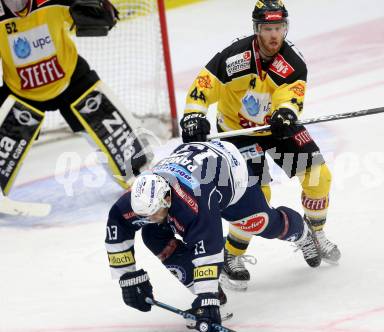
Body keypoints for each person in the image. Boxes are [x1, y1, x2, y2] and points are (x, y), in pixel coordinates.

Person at [179, 0, 340, 291]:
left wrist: (287, 113)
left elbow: (291, 97)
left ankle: (315, 233)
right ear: (256, 29)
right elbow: (202, 86)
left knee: (319, 177)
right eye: (267, 28)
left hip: (276, 129)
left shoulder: (293, 63)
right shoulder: (234, 57)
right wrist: (193, 115)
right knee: (255, 198)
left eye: (279, 27)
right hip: (236, 135)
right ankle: (232, 255)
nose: (274, 35)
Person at [105, 140, 321, 332]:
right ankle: (215, 295)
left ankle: (302, 232)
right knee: (152, 234)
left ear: (167, 199)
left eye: (153, 214)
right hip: (198, 167)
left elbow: (208, 247)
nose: (148, 218)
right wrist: (127, 277)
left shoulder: (194, 204)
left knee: (262, 224)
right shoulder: (145, 198)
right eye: (145, 215)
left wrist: (206, 299)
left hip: (232, 177)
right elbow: (118, 225)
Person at [0, 0, 150, 198]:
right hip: (20, 92)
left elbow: (102, 15)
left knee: (132, 159)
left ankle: (139, 177)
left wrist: (104, 11)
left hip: (71, 81)